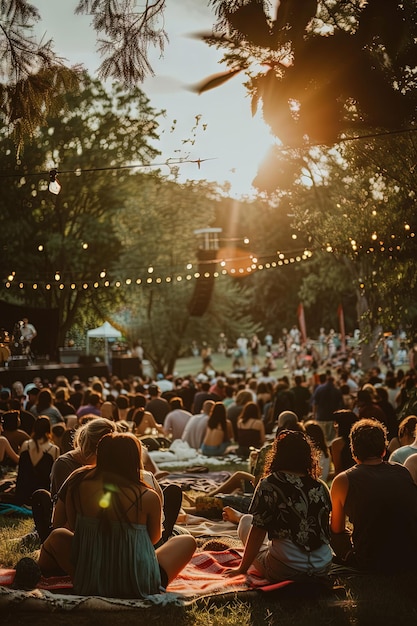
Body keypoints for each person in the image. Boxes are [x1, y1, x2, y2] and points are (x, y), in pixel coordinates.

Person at [38, 433, 196, 597]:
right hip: (138, 584)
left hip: (90, 579)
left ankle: (37, 571)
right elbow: (154, 539)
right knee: (186, 540)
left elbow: (73, 526)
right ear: (134, 458)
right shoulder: (147, 496)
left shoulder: (77, 484)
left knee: (57, 535)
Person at [223, 430, 332, 582]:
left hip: (287, 569)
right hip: (323, 567)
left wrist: (242, 569)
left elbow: (257, 532)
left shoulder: (270, 484)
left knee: (246, 522)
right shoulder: (320, 486)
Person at [330, 418, 417, 573]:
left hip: (370, 561)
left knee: (331, 527)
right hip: (409, 557)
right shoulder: (402, 471)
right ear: (384, 450)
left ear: (353, 450)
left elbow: (337, 530)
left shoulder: (344, 480)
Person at [14, 417, 60, 504]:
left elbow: (20, 468)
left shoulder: (25, 445)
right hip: (42, 495)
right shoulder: (54, 449)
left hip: (23, 493)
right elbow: (54, 475)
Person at [330, 410, 358, 476]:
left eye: (336, 423)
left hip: (346, 479)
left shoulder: (337, 444)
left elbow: (338, 470)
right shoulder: (360, 440)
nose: (335, 426)